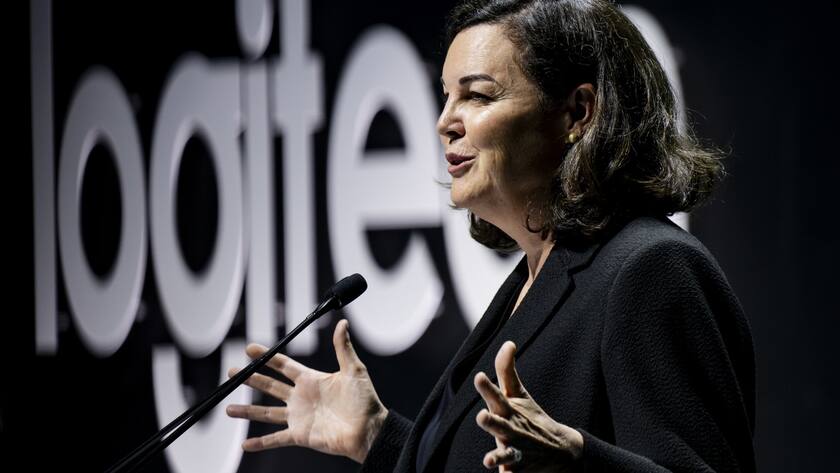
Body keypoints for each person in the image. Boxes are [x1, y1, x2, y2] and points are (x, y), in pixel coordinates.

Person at [225, 0, 756, 471]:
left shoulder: (651, 267)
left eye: (477, 96)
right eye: (446, 96)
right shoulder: (533, 278)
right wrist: (378, 438)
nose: (445, 122)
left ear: (578, 112)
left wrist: (578, 462)